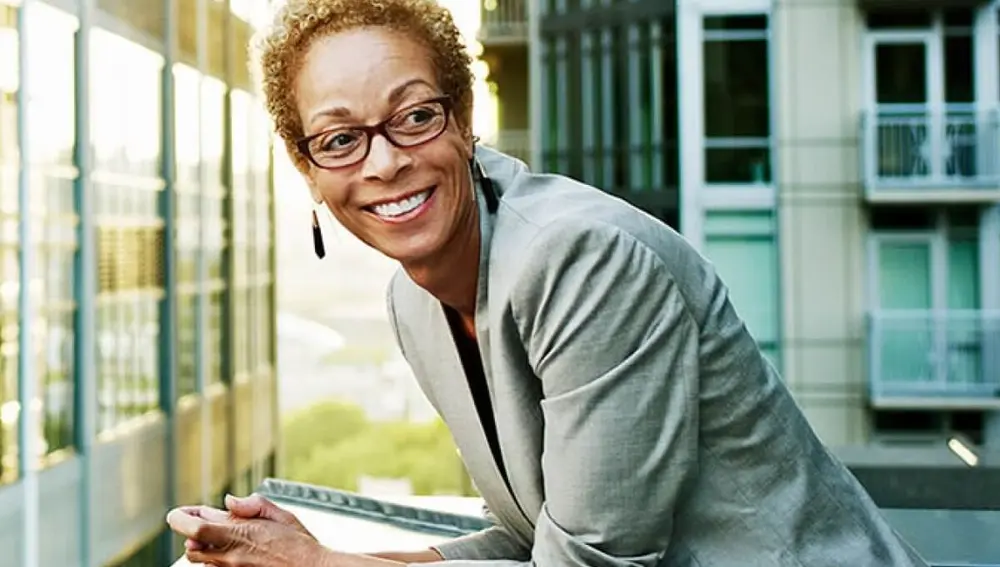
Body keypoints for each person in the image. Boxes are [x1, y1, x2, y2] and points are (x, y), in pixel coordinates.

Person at [166, 0, 930, 565]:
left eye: (415, 116)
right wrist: (320, 556)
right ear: (307, 169)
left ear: (464, 119)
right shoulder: (415, 299)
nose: (383, 160)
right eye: (339, 139)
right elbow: (535, 538)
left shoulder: (581, 258)